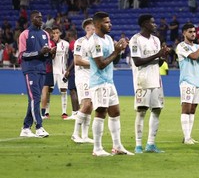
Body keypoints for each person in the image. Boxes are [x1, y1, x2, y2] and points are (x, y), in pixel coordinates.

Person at [88, 11, 133, 156]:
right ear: (97, 24)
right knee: (101, 112)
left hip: (109, 81)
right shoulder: (94, 42)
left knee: (115, 112)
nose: (110, 24)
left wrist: (120, 51)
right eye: (106, 22)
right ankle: (97, 148)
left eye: (109, 21)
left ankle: (118, 146)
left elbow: (115, 60)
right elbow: (100, 64)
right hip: (99, 82)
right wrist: (116, 51)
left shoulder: (108, 39)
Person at [130, 14, 170, 153]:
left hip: (156, 80)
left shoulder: (156, 40)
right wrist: (157, 55)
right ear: (145, 24)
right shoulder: (135, 40)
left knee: (157, 110)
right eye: (152, 23)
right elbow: (137, 61)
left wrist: (164, 55)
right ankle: (138, 145)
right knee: (141, 112)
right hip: (143, 81)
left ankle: (151, 144)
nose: (155, 25)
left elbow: (158, 62)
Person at [19, 10, 55, 138]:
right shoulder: (25, 34)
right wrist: (39, 52)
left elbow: (46, 53)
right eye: (38, 18)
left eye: (41, 17)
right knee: (35, 98)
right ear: (32, 19)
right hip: (30, 69)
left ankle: (26, 128)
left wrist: (50, 53)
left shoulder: (45, 34)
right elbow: (22, 55)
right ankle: (39, 127)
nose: (41, 20)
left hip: (41, 69)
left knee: (34, 99)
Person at [176, 23, 199, 145]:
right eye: (190, 31)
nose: (193, 34)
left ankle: (189, 136)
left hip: (197, 82)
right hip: (187, 81)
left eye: (194, 31)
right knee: (186, 108)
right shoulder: (181, 46)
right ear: (184, 33)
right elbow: (194, 56)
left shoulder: (198, 46)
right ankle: (186, 137)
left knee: (193, 109)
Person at [71, 18, 95, 143]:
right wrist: (95, 64)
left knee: (90, 106)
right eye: (93, 27)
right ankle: (75, 134)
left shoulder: (96, 43)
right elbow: (77, 60)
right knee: (85, 104)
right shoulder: (80, 42)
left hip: (93, 77)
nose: (95, 29)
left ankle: (85, 136)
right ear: (87, 28)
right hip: (83, 77)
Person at [49, 26, 70, 119]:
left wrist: (68, 70)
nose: (55, 34)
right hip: (52, 71)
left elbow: (68, 58)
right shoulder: (49, 44)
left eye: (57, 32)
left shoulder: (66, 44)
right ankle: (46, 112)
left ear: (60, 33)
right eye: (53, 33)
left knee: (64, 91)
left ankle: (64, 112)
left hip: (62, 71)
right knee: (49, 91)